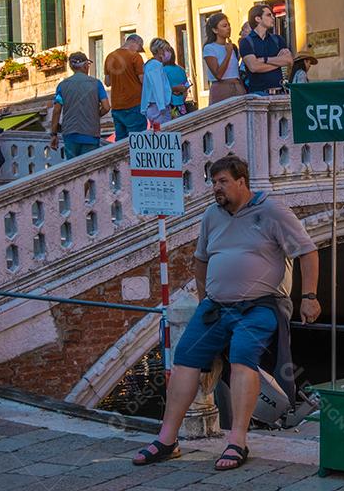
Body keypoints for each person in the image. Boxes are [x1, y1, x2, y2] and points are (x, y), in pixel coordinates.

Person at [132, 154, 320, 471]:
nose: (216, 188)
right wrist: (206, 297)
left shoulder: (272, 211)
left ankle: (237, 441)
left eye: (223, 182)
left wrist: (310, 296)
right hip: (216, 307)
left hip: (259, 305)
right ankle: (167, 439)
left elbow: (308, 251)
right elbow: (201, 259)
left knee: (242, 358)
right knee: (184, 360)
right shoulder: (211, 215)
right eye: (213, 182)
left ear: (242, 182)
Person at [50, 52, 110, 159]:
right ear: (85, 65)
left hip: (70, 134)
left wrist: (53, 134)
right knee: (90, 169)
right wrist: (95, 116)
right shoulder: (96, 83)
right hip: (90, 133)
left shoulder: (62, 85)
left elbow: (57, 111)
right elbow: (106, 107)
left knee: (73, 169)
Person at [239, 4, 292, 95]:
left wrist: (265, 60)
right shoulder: (246, 42)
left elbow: (289, 60)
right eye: (268, 15)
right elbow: (254, 67)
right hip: (258, 95)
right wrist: (278, 62)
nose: (273, 17)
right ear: (258, 19)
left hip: (279, 92)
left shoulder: (277, 39)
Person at [105, 34, 146, 141]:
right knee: (138, 142)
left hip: (117, 106)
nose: (138, 51)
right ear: (136, 43)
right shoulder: (135, 56)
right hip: (134, 104)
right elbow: (142, 80)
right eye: (139, 47)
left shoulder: (109, 57)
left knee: (121, 142)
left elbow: (107, 82)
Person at [202, 12, 246, 103]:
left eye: (229, 25)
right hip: (221, 89)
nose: (228, 28)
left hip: (237, 88)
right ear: (215, 30)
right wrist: (228, 54)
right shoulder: (209, 48)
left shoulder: (232, 47)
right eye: (224, 26)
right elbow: (218, 75)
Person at [142, 38, 175, 127]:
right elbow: (158, 87)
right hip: (158, 108)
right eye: (167, 50)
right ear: (160, 51)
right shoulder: (155, 65)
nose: (169, 53)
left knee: (157, 133)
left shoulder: (149, 65)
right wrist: (162, 107)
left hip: (153, 107)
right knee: (162, 133)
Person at [163, 49, 191, 118]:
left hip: (169, 105)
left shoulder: (162, 70)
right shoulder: (181, 69)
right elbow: (186, 88)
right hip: (181, 104)